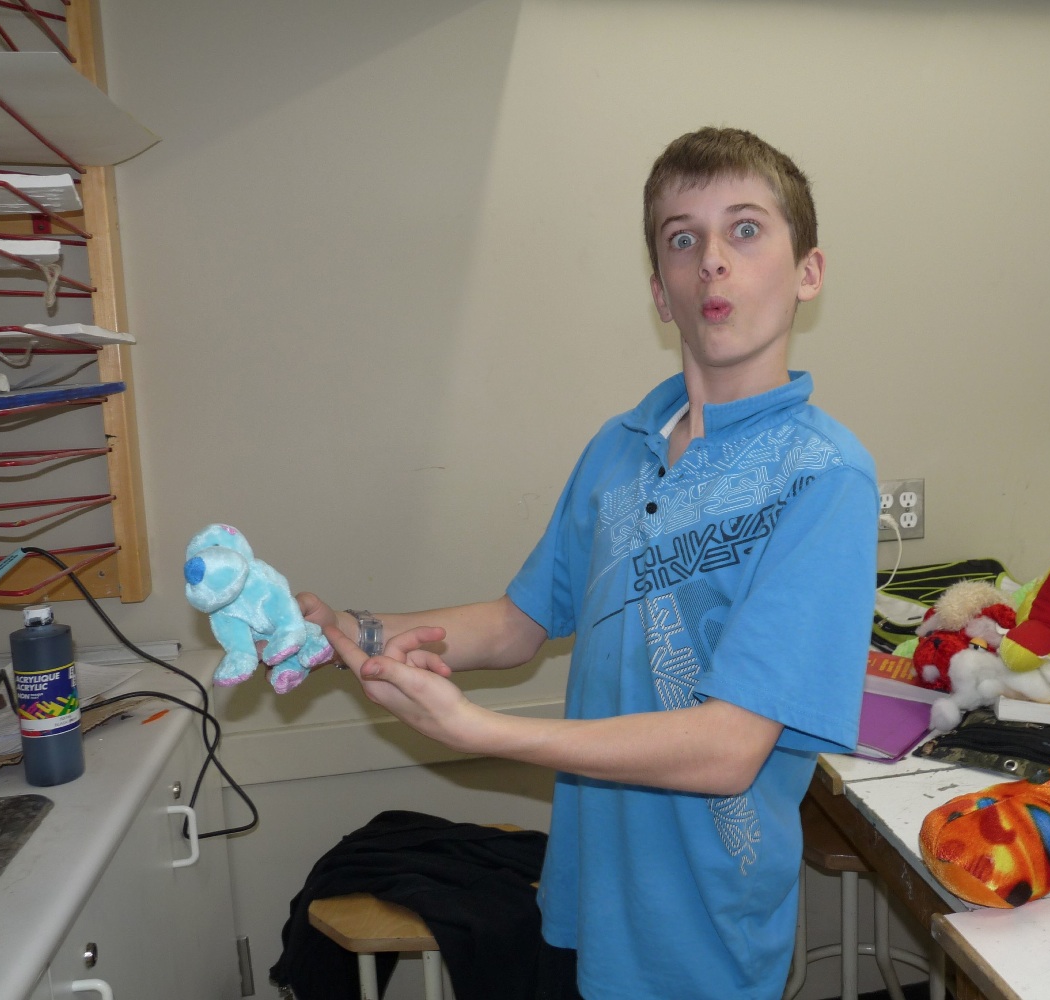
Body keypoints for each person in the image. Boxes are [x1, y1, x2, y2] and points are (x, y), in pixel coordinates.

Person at [305, 126, 880, 1000]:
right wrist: (354, 631)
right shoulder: (619, 446)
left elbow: (728, 750)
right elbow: (518, 622)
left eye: (745, 229)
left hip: (702, 935)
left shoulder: (824, 476)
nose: (711, 260)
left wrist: (481, 732)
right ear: (659, 292)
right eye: (682, 238)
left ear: (808, 272)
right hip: (583, 903)